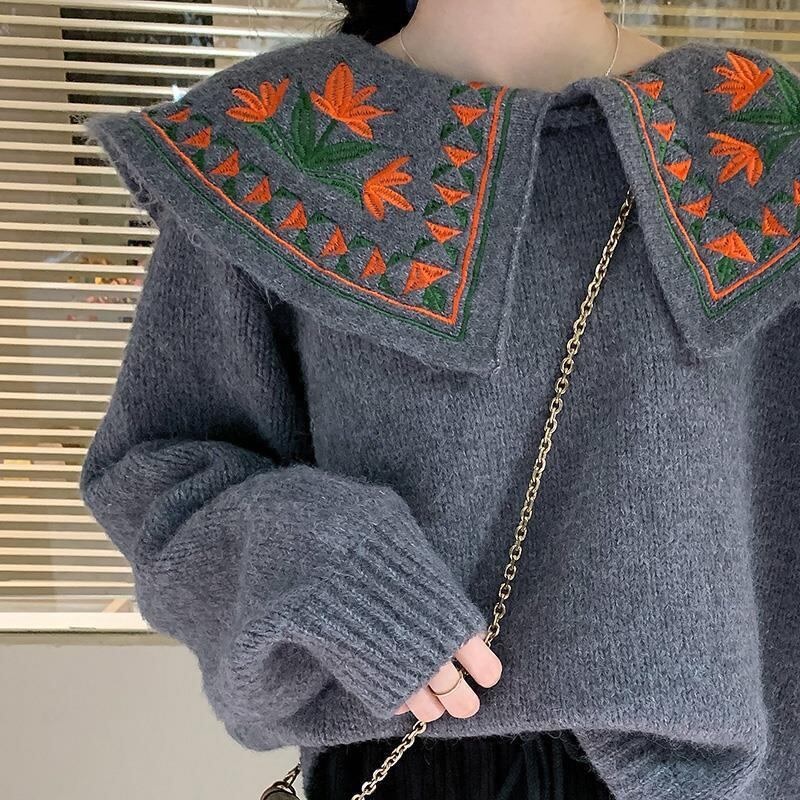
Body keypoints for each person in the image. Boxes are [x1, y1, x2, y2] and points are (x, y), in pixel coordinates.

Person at [78, 0, 800, 798]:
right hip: (413, 765)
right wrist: (330, 566)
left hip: (721, 775)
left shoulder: (758, 137)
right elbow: (159, 472)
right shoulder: (272, 139)